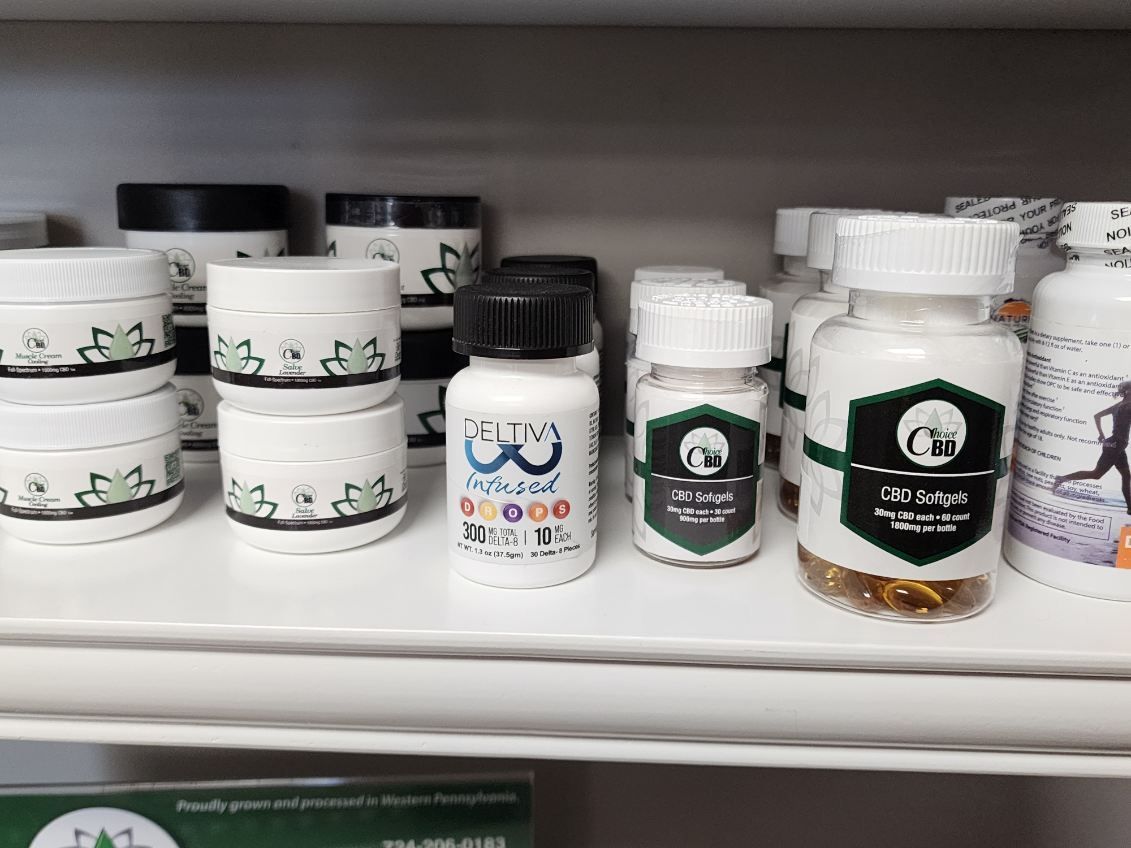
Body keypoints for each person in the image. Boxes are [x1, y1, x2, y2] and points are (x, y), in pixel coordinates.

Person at [1054, 380, 1131, 513]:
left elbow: (1097, 416)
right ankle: (1061, 479)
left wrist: (1101, 435)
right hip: (1115, 444)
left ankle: (1130, 508)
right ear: (1128, 391)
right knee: (1096, 474)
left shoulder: (1119, 405)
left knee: (1126, 475)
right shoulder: (1128, 406)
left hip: (1114, 444)